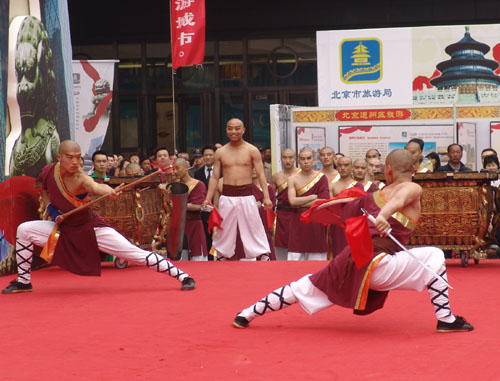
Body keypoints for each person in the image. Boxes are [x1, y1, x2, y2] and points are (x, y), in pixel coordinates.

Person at [233, 149, 474, 333]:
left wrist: (378, 214)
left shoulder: (377, 194)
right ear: (411, 167)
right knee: (435, 255)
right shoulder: (411, 188)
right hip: (378, 267)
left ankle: (246, 314)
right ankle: (446, 319)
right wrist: (382, 216)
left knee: (303, 286)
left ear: (388, 169)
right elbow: (399, 200)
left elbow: (357, 208)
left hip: (353, 262)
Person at [2, 140, 196, 294]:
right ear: (60, 157)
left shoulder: (81, 178)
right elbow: (44, 190)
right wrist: (52, 210)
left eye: (79, 157)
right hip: (64, 228)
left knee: (134, 253)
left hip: (89, 228)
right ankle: (23, 281)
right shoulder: (50, 171)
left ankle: (183, 276)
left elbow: (96, 187)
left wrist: (109, 191)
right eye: (70, 157)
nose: (76, 162)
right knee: (24, 230)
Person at [201, 118, 271, 261]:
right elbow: (214, 177)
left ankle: (261, 253)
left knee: (253, 224)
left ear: (243, 130)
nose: (234, 131)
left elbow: (261, 175)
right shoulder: (220, 152)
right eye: (230, 128)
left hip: (247, 194)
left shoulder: (252, 150)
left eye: (237, 128)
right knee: (224, 227)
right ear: (226, 130)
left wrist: (266, 196)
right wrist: (208, 198)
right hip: (227, 195)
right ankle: (221, 254)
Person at [287, 147, 329, 261]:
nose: (306, 161)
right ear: (298, 161)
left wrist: (300, 201)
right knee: (294, 260)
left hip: (316, 222)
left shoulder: (321, 178)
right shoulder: (292, 179)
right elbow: (292, 202)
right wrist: (311, 198)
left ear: (313, 160)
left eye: (309, 158)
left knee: (316, 262)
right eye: (302, 158)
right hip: (298, 221)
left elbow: (323, 201)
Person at [174, 158, 208, 261]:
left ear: (186, 167)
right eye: (173, 169)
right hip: (177, 227)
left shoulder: (198, 185)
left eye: (177, 168)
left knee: (197, 259)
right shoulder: (173, 185)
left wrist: (178, 205)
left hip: (194, 225)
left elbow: (199, 206)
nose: (175, 172)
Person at [271, 149, 300, 260]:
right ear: (281, 159)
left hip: (298, 213)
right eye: (284, 157)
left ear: (295, 159)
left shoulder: (301, 174)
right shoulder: (276, 177)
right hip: (282, 215)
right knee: (281, 245)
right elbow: (272, 198)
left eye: (290, 157)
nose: (287, 161)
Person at [195, 145, 217, 256]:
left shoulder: (221, 172)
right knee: (205, 235)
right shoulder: (197, 173)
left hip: (218, 209)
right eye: (205, 155)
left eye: (210, 155)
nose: (208, 157)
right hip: (203, 210)